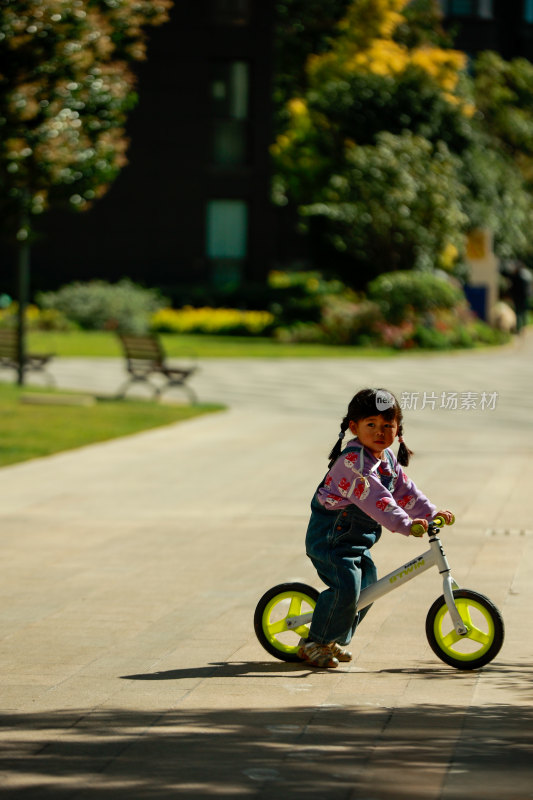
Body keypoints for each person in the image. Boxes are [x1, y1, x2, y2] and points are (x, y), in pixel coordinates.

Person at [299, 387, 454, 669]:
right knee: (346, 587)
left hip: (354, 540)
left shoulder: (386, 459)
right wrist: (406, 524)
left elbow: (406, 490)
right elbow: (377, 498)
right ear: (354, 427)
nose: (380, 432)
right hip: (331, 538)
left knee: (368, 586)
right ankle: (315, 642)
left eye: (387, 425)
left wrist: (430, 513)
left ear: (398, 429)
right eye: (371, 424)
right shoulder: (353, 463)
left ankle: (331, 638)